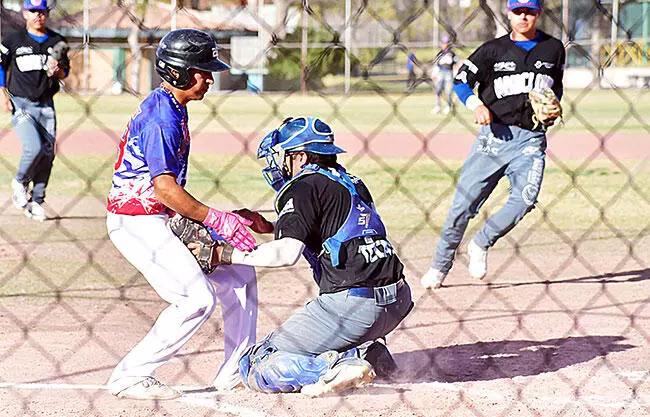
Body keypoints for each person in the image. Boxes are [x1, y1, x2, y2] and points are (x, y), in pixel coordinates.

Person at [190, 116, 413, 397]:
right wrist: (272, 227)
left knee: (256, 363)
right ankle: (369, 352)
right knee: (327, 334)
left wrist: (223, 254)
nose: (279, 164)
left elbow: (286, 254)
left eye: (283, 156)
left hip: (354, 307)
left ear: (300, 156)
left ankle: (334, 368)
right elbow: (339, 229)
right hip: (397, 300)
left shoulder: (303, 185)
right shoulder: (350, 181)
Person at [105, 29, 260, 400]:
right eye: (203, 71)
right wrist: (215, 218)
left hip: (160, 218)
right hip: (136, 222)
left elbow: (166, 194)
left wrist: (221, 216)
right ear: (178, 72)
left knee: (240, 275)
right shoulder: (163, 118)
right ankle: (130, 376)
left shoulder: (173, 106)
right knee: (195, 299)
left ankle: (235, 370)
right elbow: (165, 189)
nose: (210, 78)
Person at [421, 0, 565, 289]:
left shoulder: (553, 48)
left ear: (538, 14)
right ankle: (440, 265)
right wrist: (475, 105)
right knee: (463, 206)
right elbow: (461, 80)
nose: (523, 16)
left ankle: (481, 242)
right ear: (509, 14)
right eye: (518, 11)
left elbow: (555, 85)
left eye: (530, 11)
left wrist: (553, 106)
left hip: (531, 139)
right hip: (493, 138)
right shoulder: (492, 50)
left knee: (525, 199)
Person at [1, 0, 70, 222]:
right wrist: (2, 92)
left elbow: (65, 72)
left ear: (47, 14)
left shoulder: (57, 41)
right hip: (21, 103)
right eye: (33, 11)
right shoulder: (13, 39)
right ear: (25, 13)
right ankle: (20, 182)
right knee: (34, 147)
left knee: (48, 154)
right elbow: (1, 65)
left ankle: (37, 200)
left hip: (47, 104)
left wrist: (58, 70)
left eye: (41, 11)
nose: (38, 16)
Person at [430, 36, 458, 115]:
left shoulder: (452, 54)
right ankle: (437, 106)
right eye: (443, 43)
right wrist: (434, 74)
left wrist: (455, 75)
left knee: (448, 91)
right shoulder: (439, 54)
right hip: (440, 73)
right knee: (438, 90)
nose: (445, 44)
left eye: (446, 43)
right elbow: (437, 65)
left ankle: (448, 106)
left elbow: (455, 65)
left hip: (449, 73)